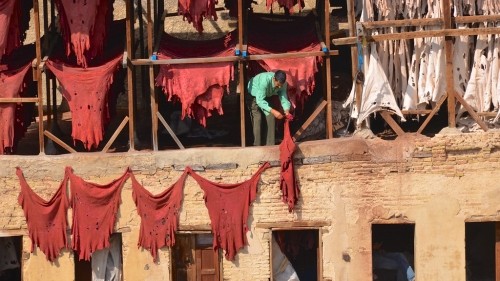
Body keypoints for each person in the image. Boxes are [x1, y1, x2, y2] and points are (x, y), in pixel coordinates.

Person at [247, 70, 292, 146]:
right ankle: (257, 145)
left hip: (267, 95)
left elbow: (283, 97)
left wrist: (286, 110)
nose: (280, 87)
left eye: (281, 85)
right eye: (278, 85)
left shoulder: (283, 84)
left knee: (271, 117)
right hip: (254, 95)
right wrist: (274, 111)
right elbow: (260, 100)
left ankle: (270, 145)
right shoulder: (264, 81)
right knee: (258, 118)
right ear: (274, 79)